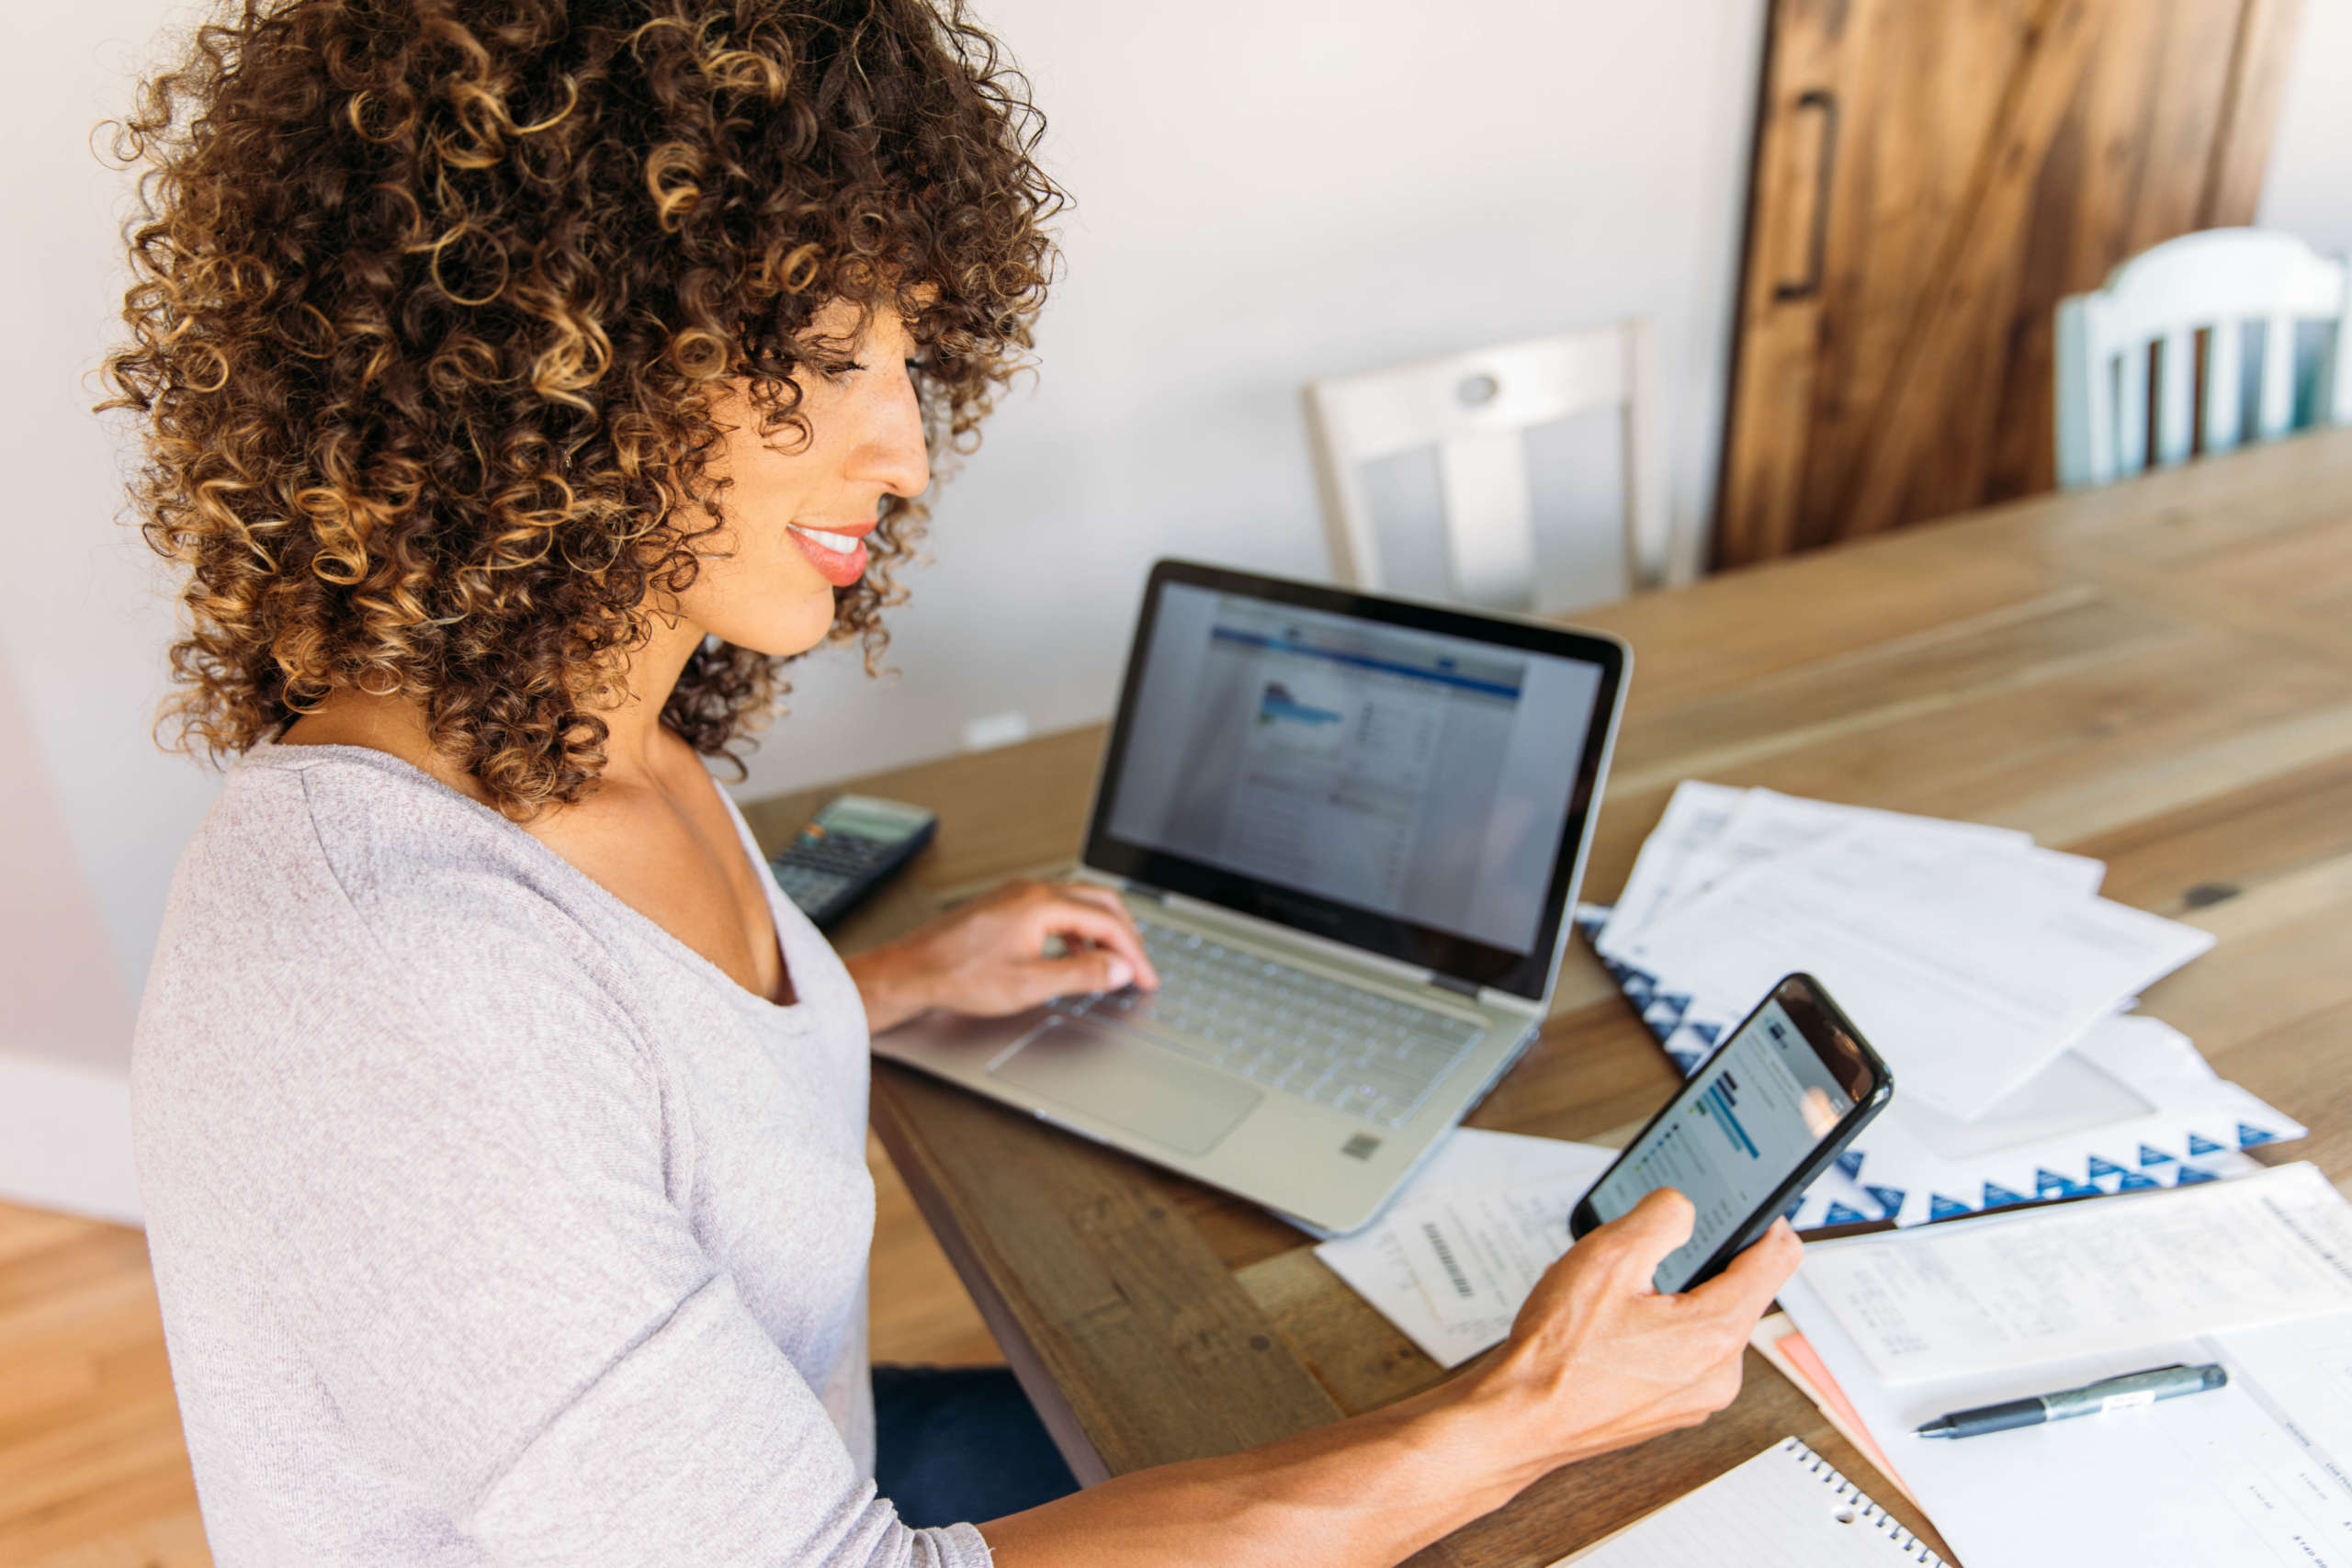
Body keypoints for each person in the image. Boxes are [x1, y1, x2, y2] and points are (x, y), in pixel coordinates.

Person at [109, 2, 1804, 1564]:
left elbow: (630, 1079)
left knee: (1306, 1406)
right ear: (553, 358)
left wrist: (890, 987)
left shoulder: (590, 738)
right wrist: (1523, 1417)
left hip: (800, 1447)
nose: (910, 452)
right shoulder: (390, 983)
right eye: (834, 359)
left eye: (911, 361)